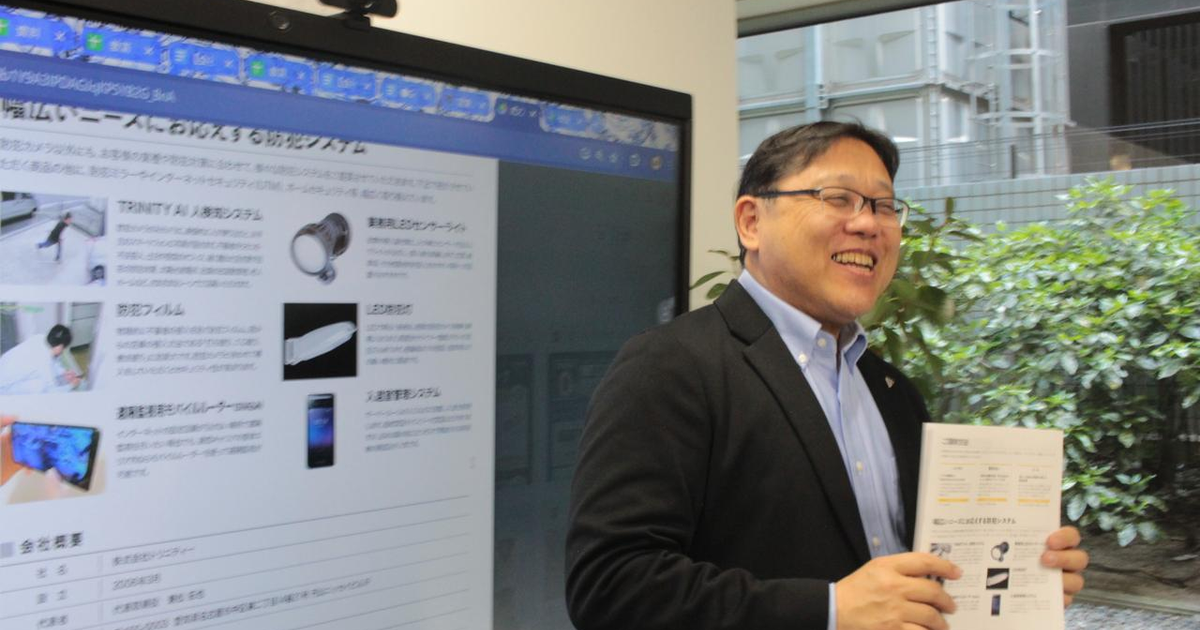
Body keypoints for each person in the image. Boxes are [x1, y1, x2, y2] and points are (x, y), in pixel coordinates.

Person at [565, 121, 1088, 630]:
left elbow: (915, 578)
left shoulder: (893, 391)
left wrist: (1013, 579)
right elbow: (611, 585)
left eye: (884, 205)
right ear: (751, 222)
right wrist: (831, 610)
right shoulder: (672, 366)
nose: (869, 224)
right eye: (838, 198)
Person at [0, 324, 82, 394]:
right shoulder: (44, 362)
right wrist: (71, 385)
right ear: (60, 347)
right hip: (4, 388)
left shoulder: (40, 337)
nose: (63, 351)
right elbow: (51, 391)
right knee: (40, 385)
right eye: (63, 348)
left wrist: (63, 372)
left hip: (3, 364)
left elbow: (53, 360)